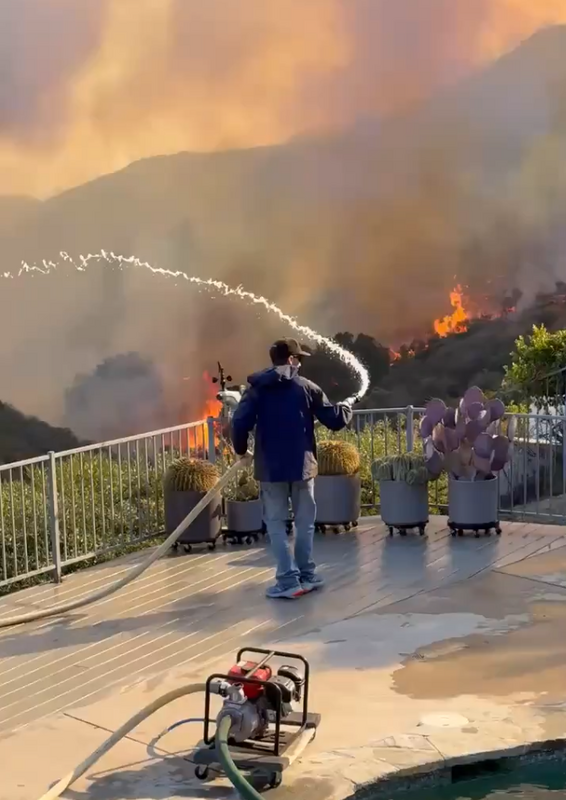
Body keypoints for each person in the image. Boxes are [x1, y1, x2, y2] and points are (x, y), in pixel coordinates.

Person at [231, 337, 354, 599]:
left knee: (276, 525)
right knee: (305, 523)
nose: (299, 363)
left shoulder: (257, 390)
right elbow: (333, 420)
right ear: (290, 359)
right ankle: (306, 575)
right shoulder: (307, 388)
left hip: (271, 470)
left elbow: (239, 422)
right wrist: (346, 409)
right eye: (298, 358)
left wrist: (241, 450)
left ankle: (288, 581)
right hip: (303, 468)